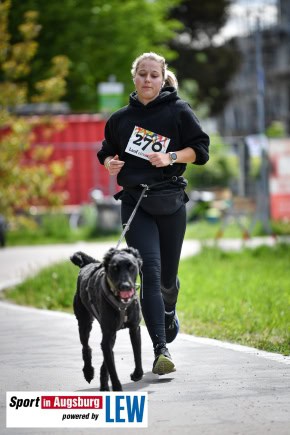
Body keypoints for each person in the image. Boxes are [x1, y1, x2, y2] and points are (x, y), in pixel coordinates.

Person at [97, 52, 210, 376]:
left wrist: (172, 155)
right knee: (149, 272)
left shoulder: (178, 111)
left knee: (166, 279)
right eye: (142, 74)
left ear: (162, 79)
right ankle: (161, 349)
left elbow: (201, 150)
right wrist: (109, 163)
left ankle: (169, 308)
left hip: (170, 202)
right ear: (135, 78)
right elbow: (106, 150)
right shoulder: (120, 119)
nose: (148, 80)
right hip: (135, 202)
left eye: (153, 75)